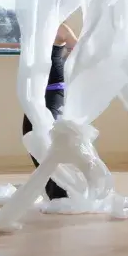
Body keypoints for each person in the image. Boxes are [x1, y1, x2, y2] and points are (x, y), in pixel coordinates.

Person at [22, 22, 78, 200]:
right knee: (30, 133)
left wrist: (65, 67)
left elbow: (78, 49)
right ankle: (54, 191)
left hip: (54, 90)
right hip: (37, 93)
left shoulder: (60, 26)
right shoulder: (35, 24)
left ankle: (63, 191)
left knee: (46, 136)